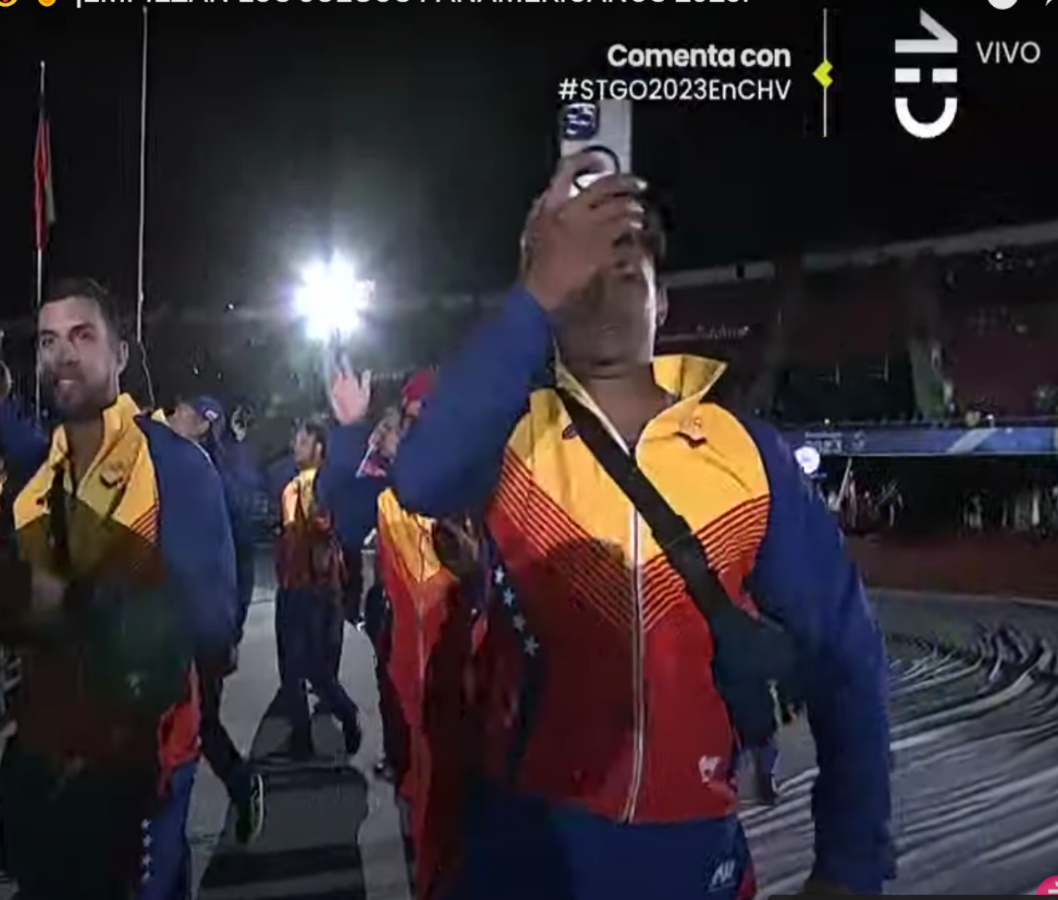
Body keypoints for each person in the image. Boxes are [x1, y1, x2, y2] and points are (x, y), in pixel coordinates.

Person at [392, 153, 893, 899]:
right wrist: (533, 290)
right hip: (523, 843)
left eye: (627, 265)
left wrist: (851, 866)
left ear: (664, 306)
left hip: (693, 853)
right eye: (582, 267)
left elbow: (845, 656)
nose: (603, 278)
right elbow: (422, 476)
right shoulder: (509, 435)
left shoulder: (745, 454)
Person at [0, 277, 238, 899]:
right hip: (52, 765)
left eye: (82, 336)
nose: (62, 354)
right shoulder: (47, 468)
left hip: (141, 769)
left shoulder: (173, 466)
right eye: (47, 341)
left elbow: (211, 621)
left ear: (121, 355)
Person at [318, 368, 478, 900]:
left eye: (432, 422)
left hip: (485, 732)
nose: (418, 433)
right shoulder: (387, 497)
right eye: (410, 422)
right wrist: (347, 429)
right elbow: (338, 509)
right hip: (415, 727)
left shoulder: (492, 491)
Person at [165, 395, 266, 843]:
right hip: (161, 625)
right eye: (184, 411)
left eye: (204, 421)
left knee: (202, 723)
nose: (177, 418)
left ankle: (243, 785)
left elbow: (241, 560)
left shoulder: (220, 480)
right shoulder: (158, 468)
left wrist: (234, 628)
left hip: (205, 628)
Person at [276, 417, 363, 759]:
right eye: (295, 440)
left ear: (318, 448)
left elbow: (325, 529)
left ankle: (345, 714)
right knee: (301, 669)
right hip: (298, 586)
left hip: (308, 589)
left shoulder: (316, 485)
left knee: (308, 668)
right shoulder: (293, 485)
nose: (294, 446)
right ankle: (304, 737)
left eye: (301, 441)